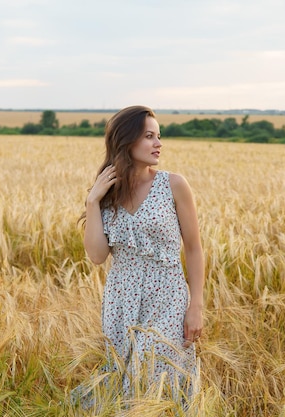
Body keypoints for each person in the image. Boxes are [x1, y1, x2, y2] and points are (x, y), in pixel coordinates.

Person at [74, 105, 204, 407]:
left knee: (156, 377)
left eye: (158, 136)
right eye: (149, 136)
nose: (158, 144)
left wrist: (196, 304)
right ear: (126, 141)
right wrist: (93, 201)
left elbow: (195, 248)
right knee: (124, 382)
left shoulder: (173, 184)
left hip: (167, 296)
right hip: (121, 299)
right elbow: (96, 255)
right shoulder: (108, 192)